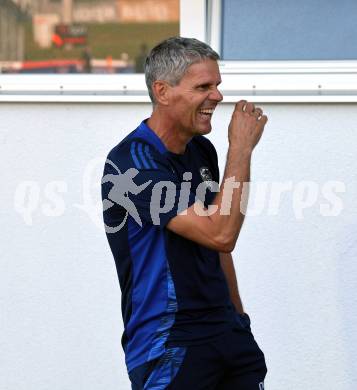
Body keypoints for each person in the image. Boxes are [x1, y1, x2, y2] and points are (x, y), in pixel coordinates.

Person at [101, 37, 268, 389]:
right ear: (162, 91)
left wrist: (238, 320)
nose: (218, 96)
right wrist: (240, 148)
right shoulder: (131, 164)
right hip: (169, 343)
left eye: (217, 85)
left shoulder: (201, 151)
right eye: (203, 87)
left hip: (226, 336)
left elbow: (219, 247)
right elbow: (220, 232)